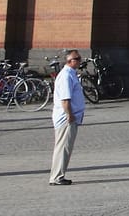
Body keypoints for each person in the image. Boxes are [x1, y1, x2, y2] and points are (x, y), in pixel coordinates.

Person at [49, 49, 85, 186]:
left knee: (65, 147)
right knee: (63, 147)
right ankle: (57, 176)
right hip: (66, 117)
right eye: (77, 58)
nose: (80, 61)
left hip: (70, 116)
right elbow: (65, 99)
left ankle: (58, 175)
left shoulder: (71, 74)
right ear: (70, 61)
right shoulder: (66, 76)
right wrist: (70, 115)